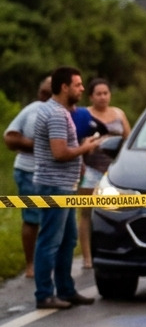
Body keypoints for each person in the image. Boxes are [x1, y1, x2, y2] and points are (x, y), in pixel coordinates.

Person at [32, 67, 103, 310]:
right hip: (55, 185)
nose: (82, 89)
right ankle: (44, 294)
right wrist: (86, 147)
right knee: (50, 240)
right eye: (78, 85)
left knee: (67, 239)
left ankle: (66, 289)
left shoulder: (59, 112)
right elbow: (60, 153)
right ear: (64, 87)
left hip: (63, 184)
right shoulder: (55, 114)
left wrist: (79, 159)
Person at [75, 79, 130, 269]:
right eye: (98, 94)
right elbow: (75, 142)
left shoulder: (118, 114)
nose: (103, 97)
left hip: (114, 170)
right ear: (91, 96)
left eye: (106, 93)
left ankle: (119, 250)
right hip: (90, 169)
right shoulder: (83, 115)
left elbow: (128, 141)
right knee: (86, 213)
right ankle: (87, 257)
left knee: (118, 211)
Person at [4, 76, 52, 278]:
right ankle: (30, 264)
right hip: (28, 172)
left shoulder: (67, 112)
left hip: (54, 176)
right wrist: (37, 145)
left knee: (53, 220)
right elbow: (10, 137)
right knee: (32, 219)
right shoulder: (32, 111)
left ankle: (48, 262)